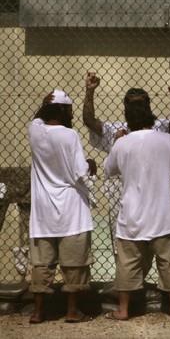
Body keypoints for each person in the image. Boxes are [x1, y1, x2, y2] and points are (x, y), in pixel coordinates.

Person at [102, 99, 170, 321]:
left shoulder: (122, 143)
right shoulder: (166, 140)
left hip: (131, 216)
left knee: (127, 262)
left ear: (128, 119)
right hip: (161, 215)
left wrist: (117, 142)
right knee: (169, 262)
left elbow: (109, 170)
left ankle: (123, 310)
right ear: (151, 117)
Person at [28, 89, 97, 324]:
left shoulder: (34, 131)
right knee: (74, 263)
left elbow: (36, 118)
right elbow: (79, 172)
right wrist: (91, 165)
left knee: (42, 262)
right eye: (69, 109)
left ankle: (37, 312)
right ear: (62, 110)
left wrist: (43, 103)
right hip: (71, 208)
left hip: (43, 210)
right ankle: (72, 311)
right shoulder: (70, 135)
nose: (72, 113)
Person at [82, 71, 170, 154]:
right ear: (126, 108)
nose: (137, 110)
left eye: (140, 105)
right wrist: (89, 91)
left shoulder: (158, 127)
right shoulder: (118, 131)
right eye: (133, 106)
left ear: (148, 107)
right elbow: (89, 121)